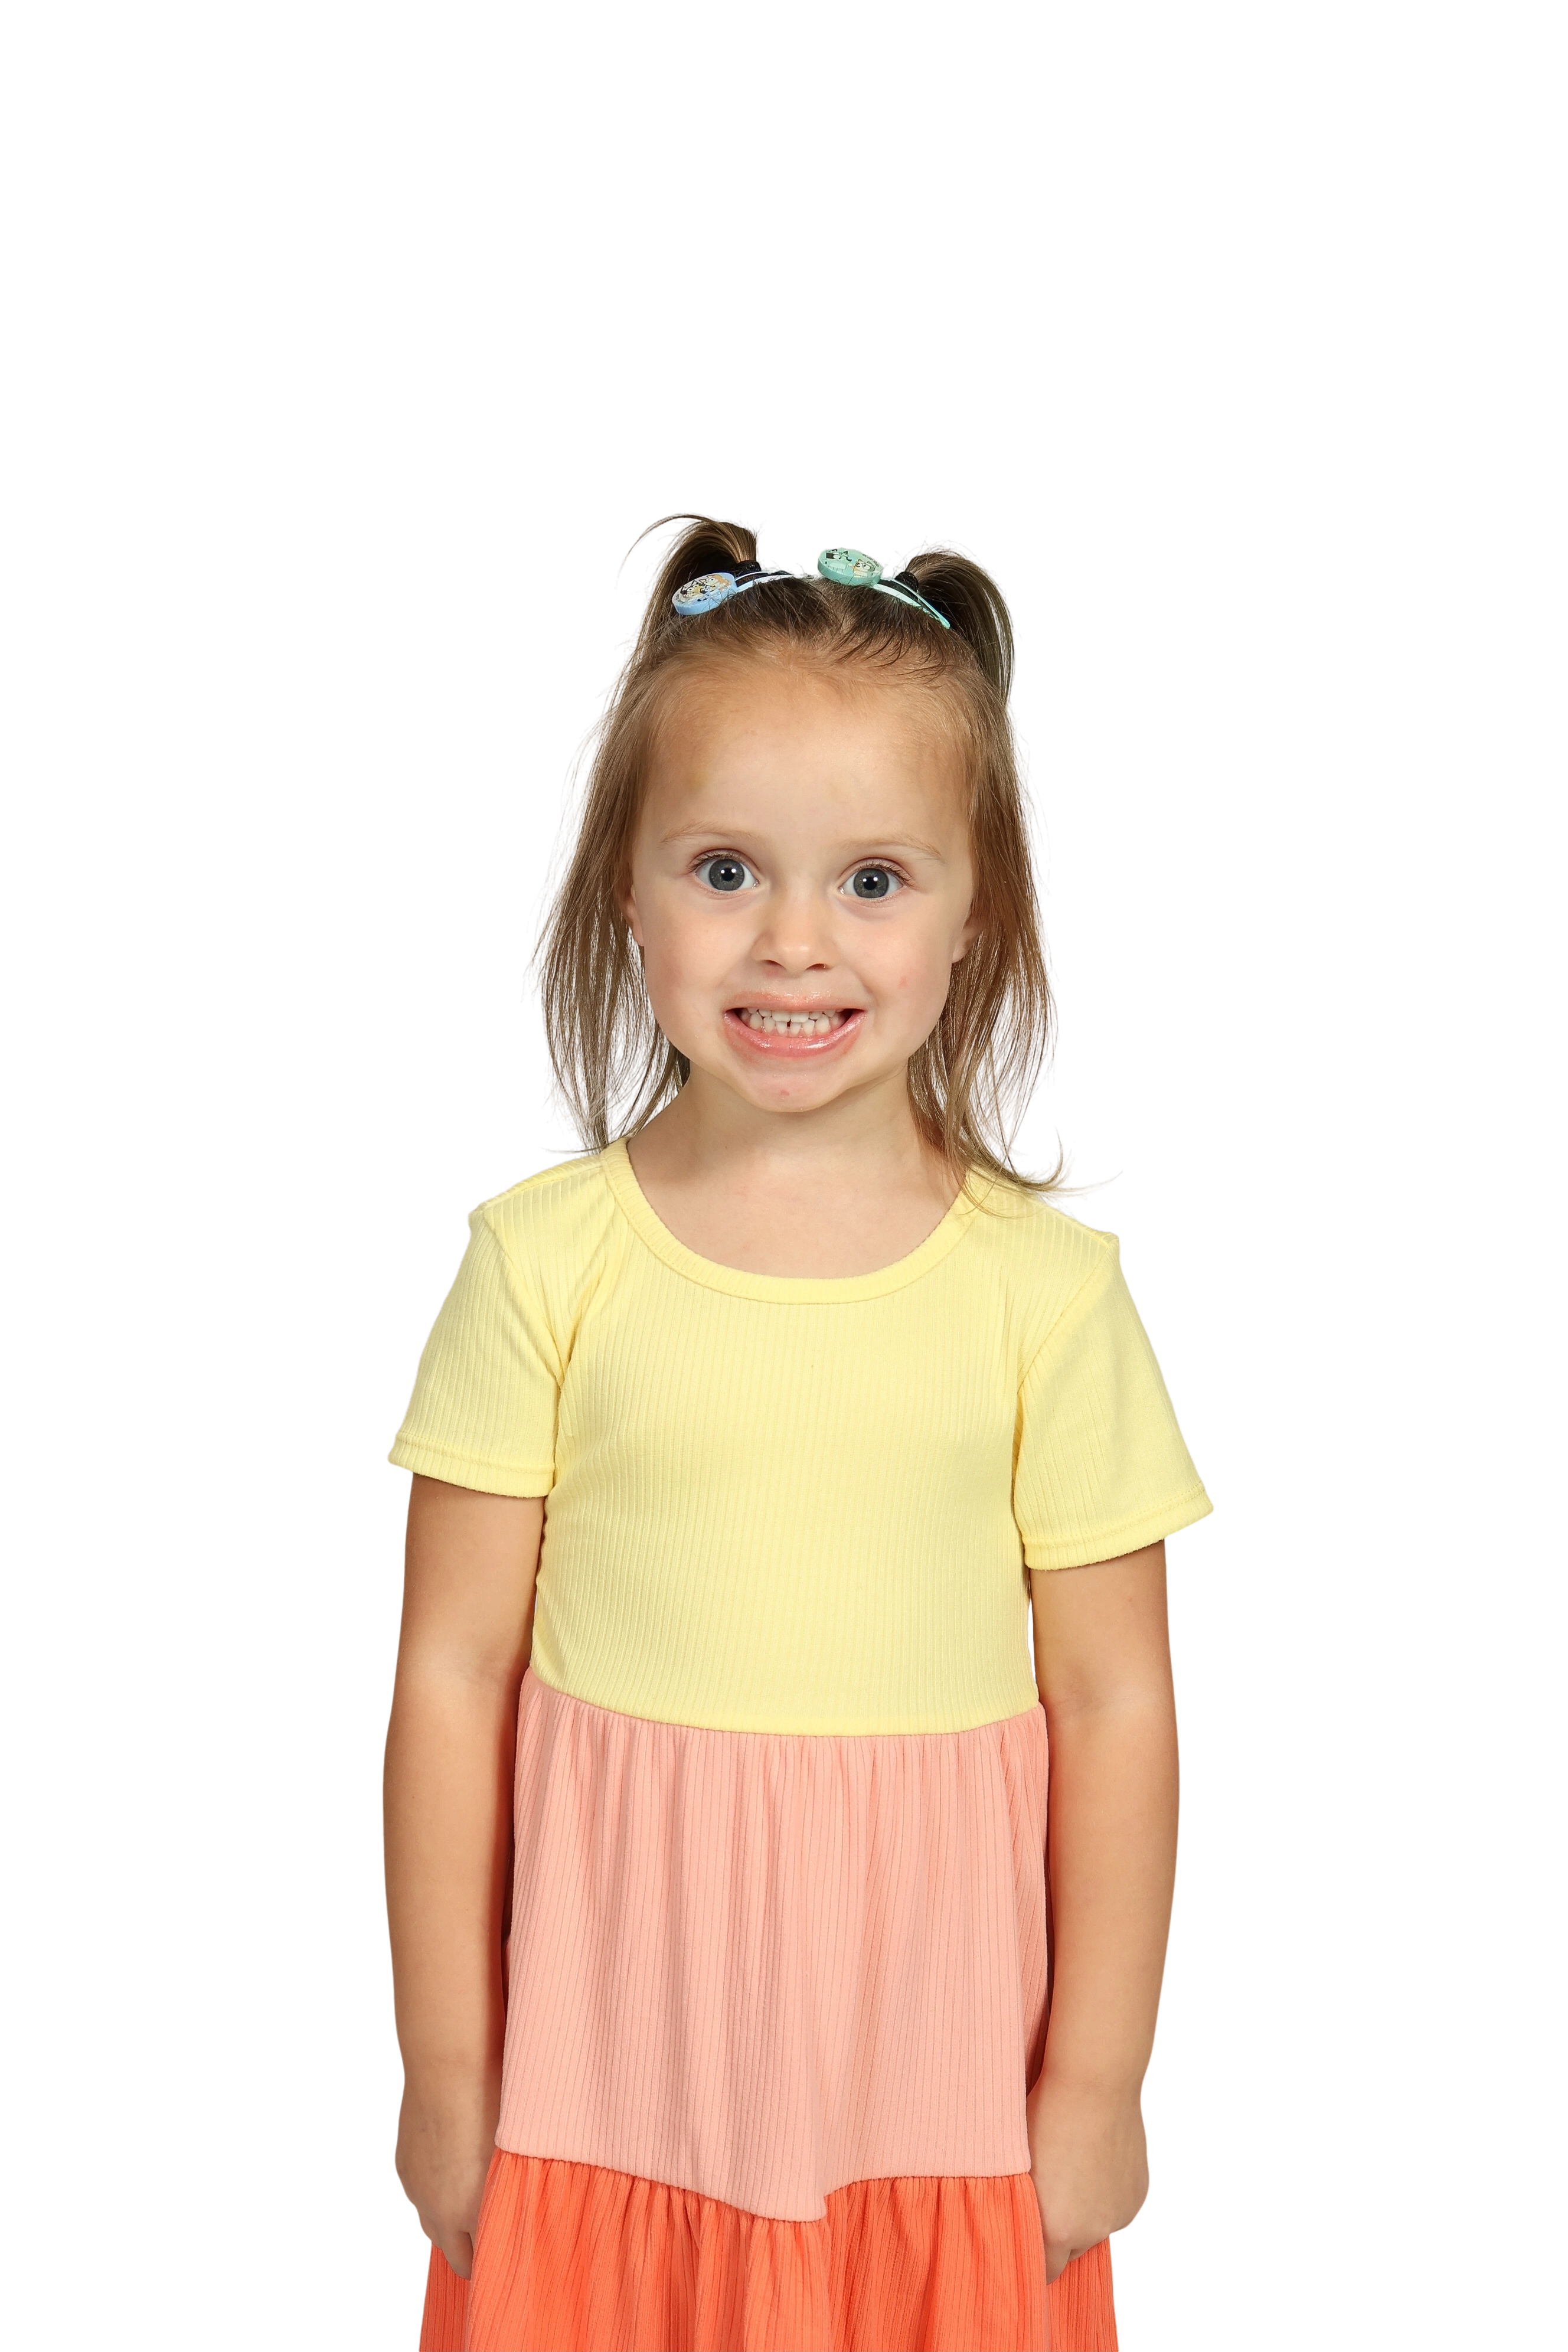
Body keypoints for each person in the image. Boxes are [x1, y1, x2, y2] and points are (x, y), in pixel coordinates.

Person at [380, 512, 1217, 2352]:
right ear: (626, 889)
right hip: (611, 2067)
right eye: (726, 867)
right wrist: (447, 2071)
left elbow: (1115, 1702)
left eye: (874, 880)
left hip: (935, 2077)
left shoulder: (1047, 1295)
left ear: (977, 911)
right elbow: (450, 1677)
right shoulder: (540, 1264)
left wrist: (1100, 2085)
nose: (793, 941)